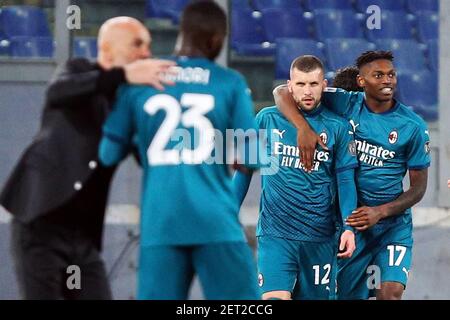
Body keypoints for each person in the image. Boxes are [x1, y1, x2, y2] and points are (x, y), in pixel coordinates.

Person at [0, 16, 175, 300]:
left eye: (148, 46)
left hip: (82, 239)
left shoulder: (127, 101)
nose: (146, 53)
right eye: (137, 44)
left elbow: (148, 155)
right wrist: (123, 76)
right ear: (107, 48)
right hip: (41, 225)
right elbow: (59, 91)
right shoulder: (77, 71)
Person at [99, 1, 259, 300]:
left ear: (181, 33)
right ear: (216, 40)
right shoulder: (229, 82)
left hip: (161, 223)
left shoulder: (142, 81)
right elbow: (252, 156)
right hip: (215, 221)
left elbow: (108, 154)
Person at [274, 51, 430, 300]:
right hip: (351, 221)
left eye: (391, 75)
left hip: (391, 225)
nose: (386, 80)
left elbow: (418, 189)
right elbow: (282, 92)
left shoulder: (413, 126)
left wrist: (380, 212)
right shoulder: (345, 104)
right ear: (361, 82)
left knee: (390, 292)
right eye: (377, 75)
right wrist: (302, 128)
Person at [234, 55, 357, 300]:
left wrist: (349, 227)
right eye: (300, 84)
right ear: (290, 86)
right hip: (275, 234)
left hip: (320, 237)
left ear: (324, 85)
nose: (307, 91)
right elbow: (244, 172)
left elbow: (345, 182)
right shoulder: (266, 119)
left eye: (313, 84)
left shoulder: (338, 128)